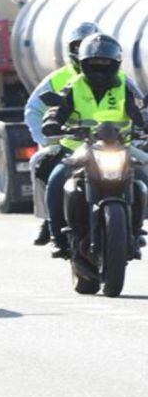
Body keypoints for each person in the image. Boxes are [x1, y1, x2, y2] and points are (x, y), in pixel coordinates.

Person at [41, 33, 147, 258]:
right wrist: (51, 121)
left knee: (144, 178)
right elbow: (57, 108)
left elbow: (138, 112)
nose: (99, 70)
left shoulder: (123, 87)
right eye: (94, 65)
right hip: (78, 147)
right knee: (56, 180)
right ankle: (57, 237)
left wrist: (144, 125)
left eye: (105, 65)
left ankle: (136, 230)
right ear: (84, 64)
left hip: (118, 147)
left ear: (115, 64)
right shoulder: (74, 86)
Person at [25, 22, 103, 245]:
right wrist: (47, 139)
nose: (88, 53)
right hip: (71, 145)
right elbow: (34, 110)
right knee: (41, 164)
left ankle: (134, 222)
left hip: (113, 145)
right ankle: (49, 221)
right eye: (80, 47)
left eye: (93, 47)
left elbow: (138, 107)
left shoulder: (119, 79)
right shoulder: (62, 80)